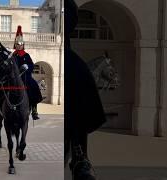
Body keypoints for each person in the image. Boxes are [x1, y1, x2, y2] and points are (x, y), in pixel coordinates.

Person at [66, 0, 107, 180]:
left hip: (60, 46)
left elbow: (69, 17)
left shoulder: (65, 7)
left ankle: (79, 154)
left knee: (79, 72)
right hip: (33, 40)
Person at [0, 25, 43, 120]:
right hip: (12, 76)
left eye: (20, 44)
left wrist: (27, 66)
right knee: (0, 85)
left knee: (33, 85)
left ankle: (34, 109)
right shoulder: (12, 55)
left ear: (23, 45)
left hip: (24, 76)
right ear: (15, 45)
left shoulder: (26, 55)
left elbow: (31, 65)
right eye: (17, 44)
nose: (19, 46)